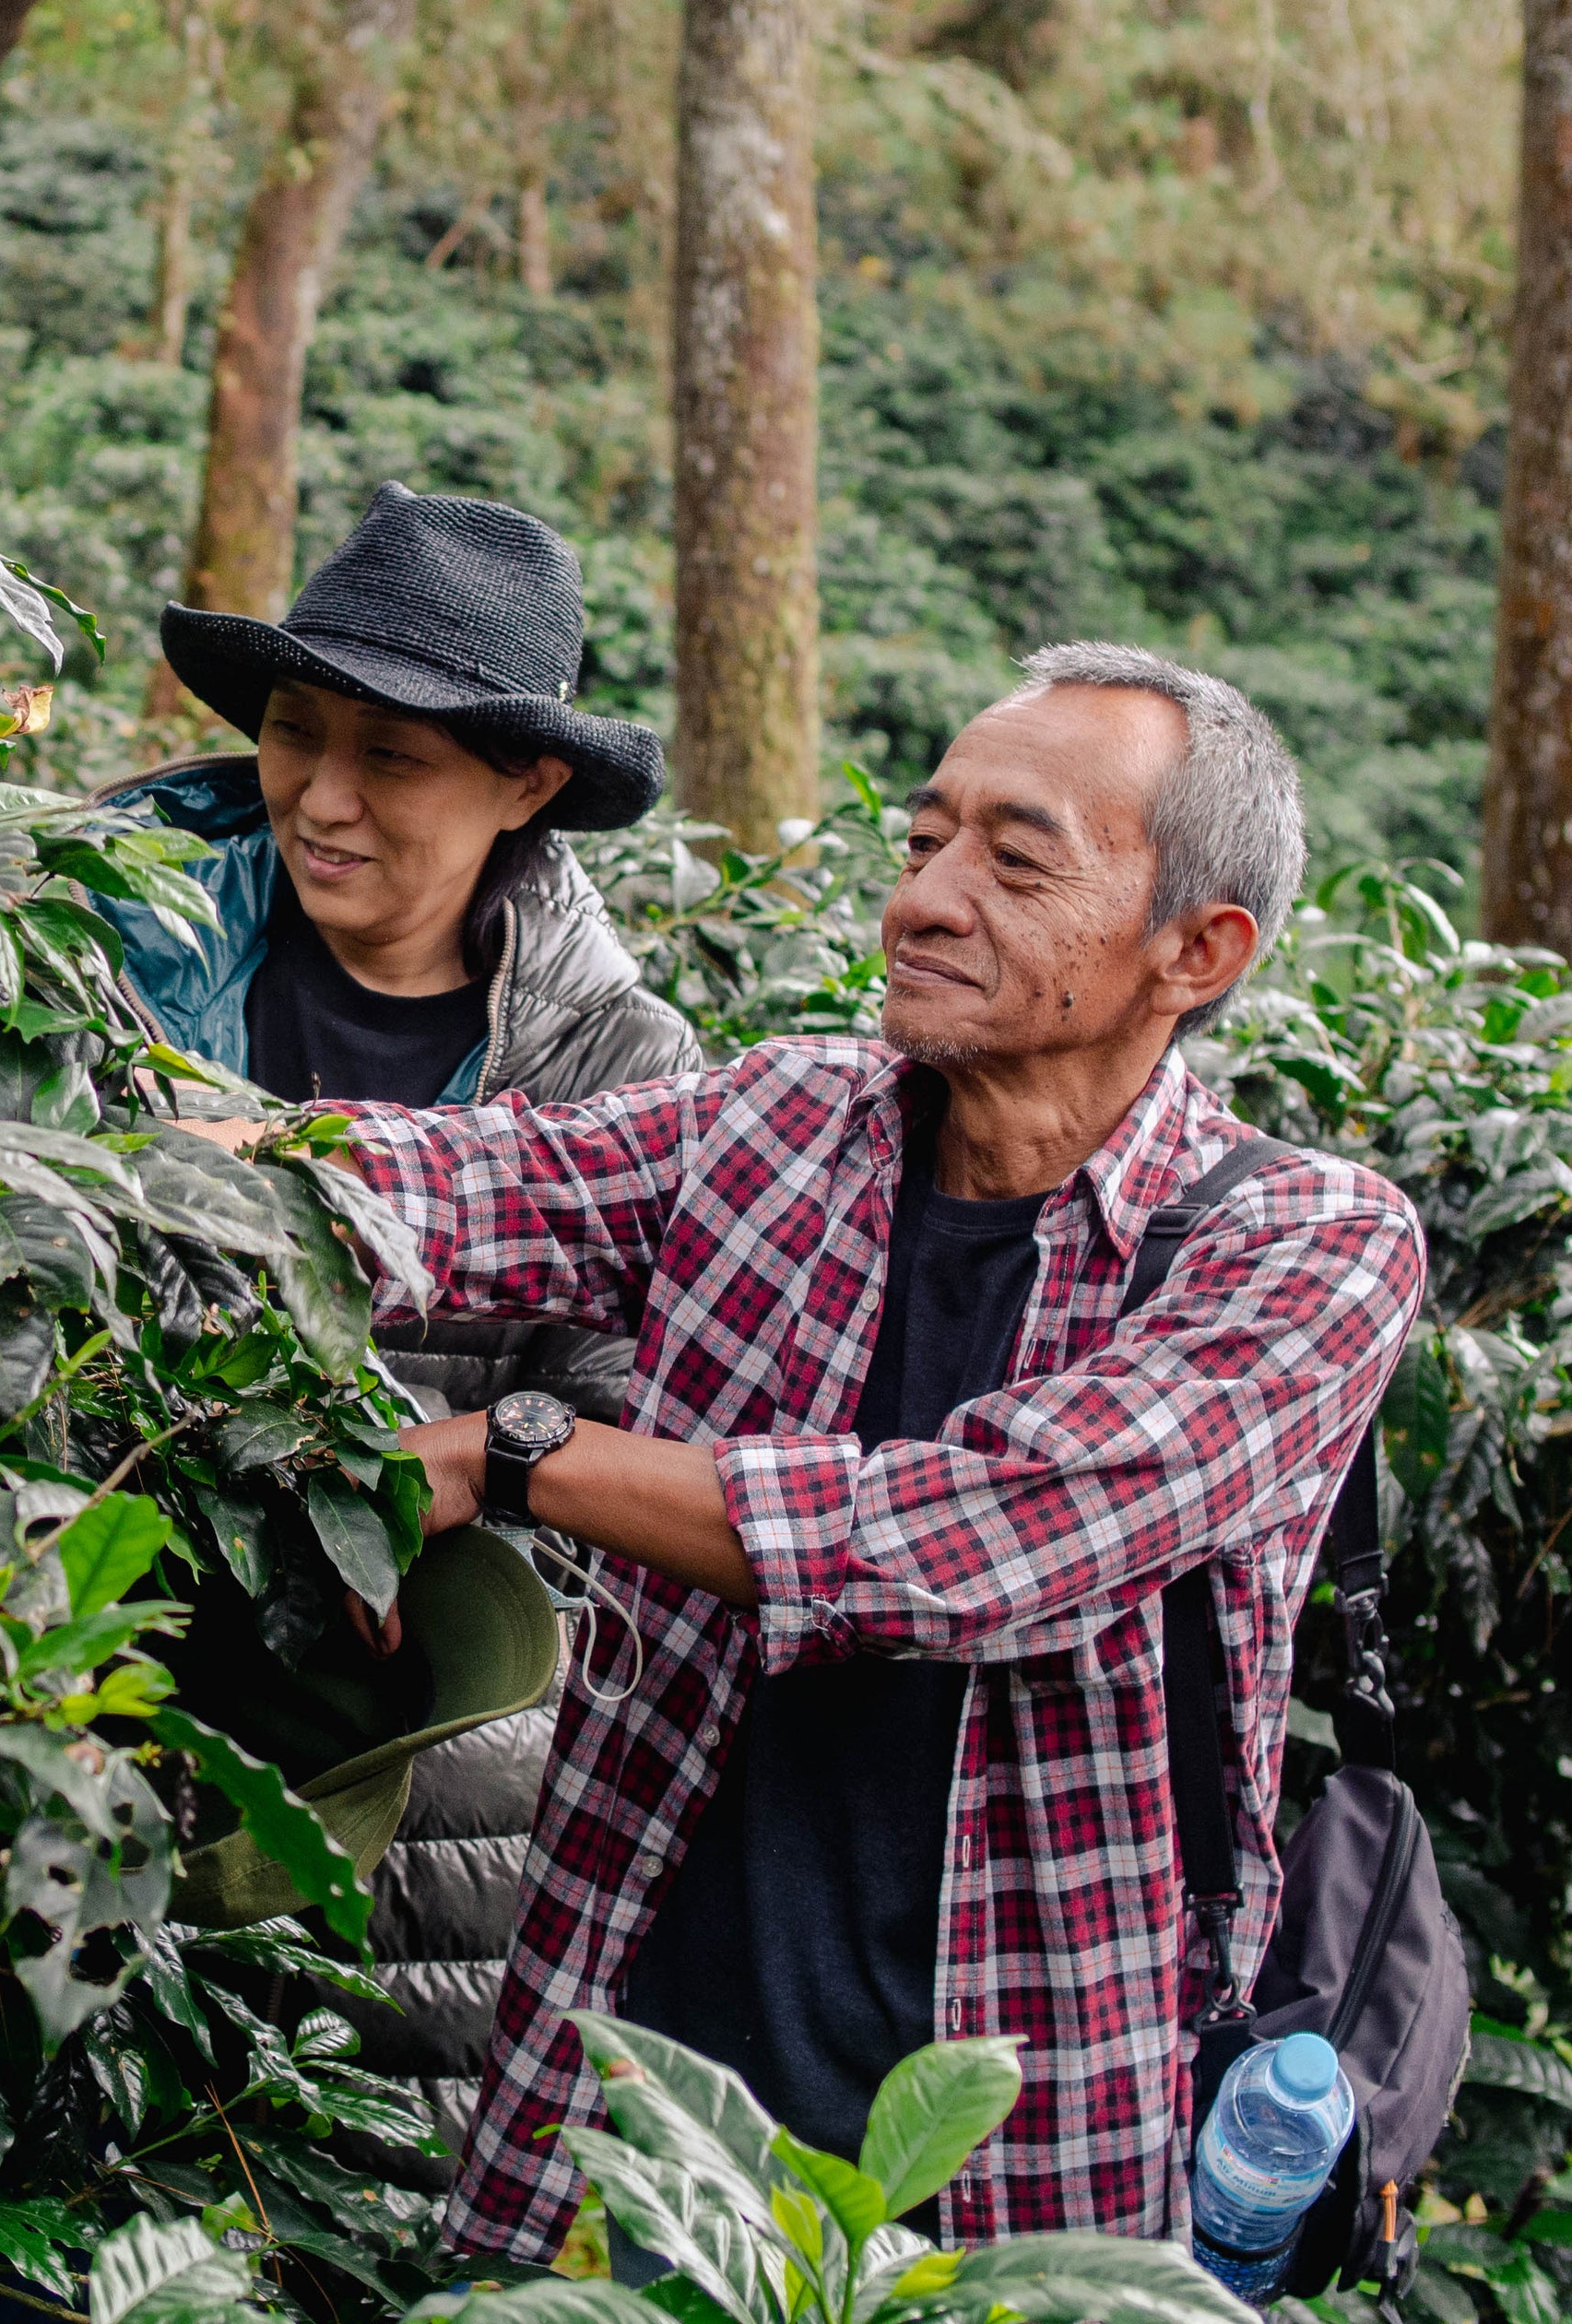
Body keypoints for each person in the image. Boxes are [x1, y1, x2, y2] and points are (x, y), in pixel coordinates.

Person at [184, 643, 1427, 2254]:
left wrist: (512, 1451)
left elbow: (982, 1540)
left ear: (1197, 947)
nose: (924, 898)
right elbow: (457, 1183)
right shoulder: (780, 1121)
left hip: (1026, 2154)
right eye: (923, 844)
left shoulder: (1305, 1244)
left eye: (1015, 859)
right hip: (629, 2096)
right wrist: (159, 1155)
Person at [103, 480, 701, 2173]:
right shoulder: (97, 948)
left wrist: (431, 1526)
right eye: (299, 734)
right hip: (64, 1714)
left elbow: (627, 1472)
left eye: (398, 758)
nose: (326, 797)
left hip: (416, 1846)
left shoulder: (619, 1073)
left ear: (530, 786)